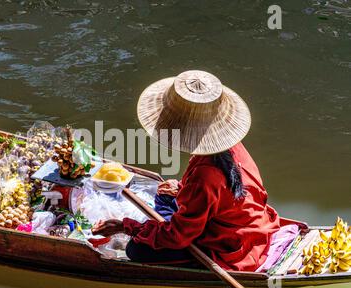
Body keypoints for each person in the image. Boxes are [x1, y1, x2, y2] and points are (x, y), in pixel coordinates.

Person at [92, 70, 284, 272]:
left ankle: (161, 228)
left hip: (232, 245)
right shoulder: (231, 147)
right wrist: (182, 189)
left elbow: (177, 237)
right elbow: (224, 191)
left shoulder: (205, 175)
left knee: (136, 250)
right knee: (164, 195)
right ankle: (163, 224)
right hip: (247, 222)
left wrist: (126, 226)